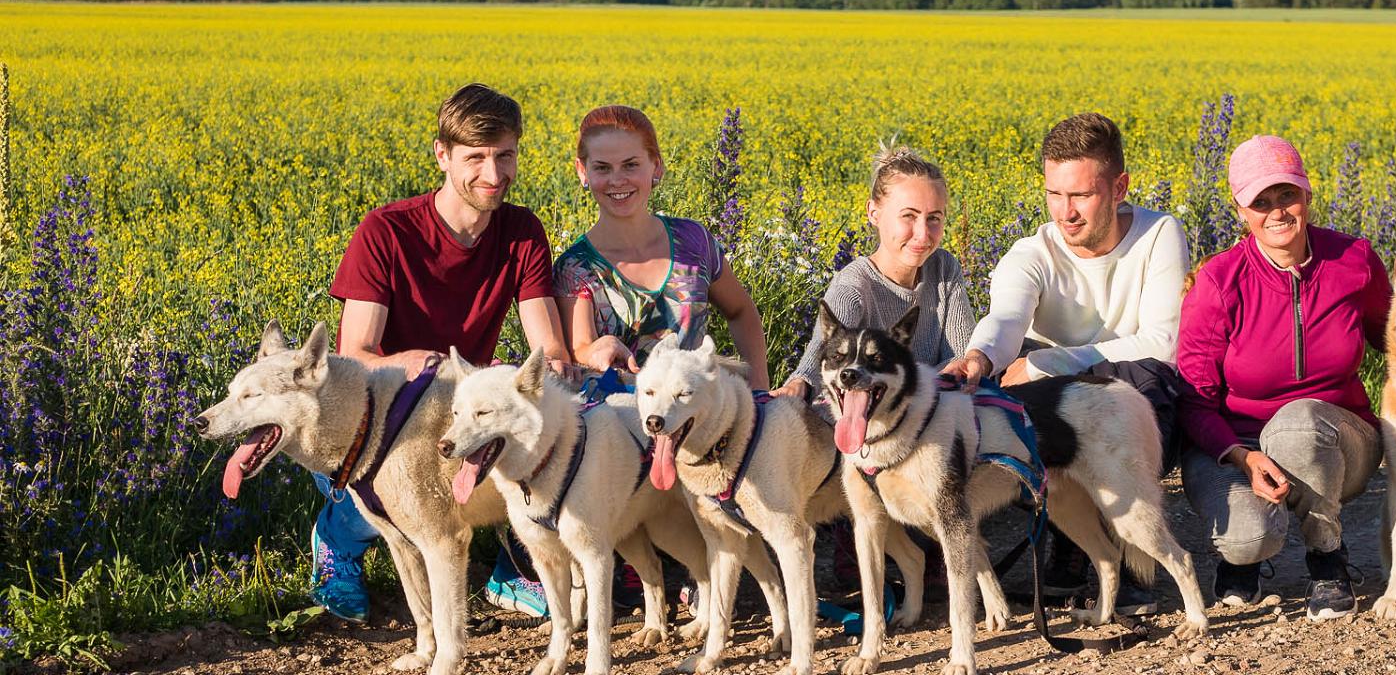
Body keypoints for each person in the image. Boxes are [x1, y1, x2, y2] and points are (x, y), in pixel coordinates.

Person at [320, 83, 573, 621]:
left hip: (461, 398)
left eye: (505, 156)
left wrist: (557, 381)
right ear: (442, 155)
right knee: (397, 490)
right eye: (476, 158)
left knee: (544, 433)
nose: (493, 174)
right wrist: (411, 361)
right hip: (383, 407)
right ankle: (339, 536)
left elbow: (546, 344)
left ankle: (515, 568)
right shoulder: (385, 231)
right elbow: (353, 353)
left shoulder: (522, 231)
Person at [941, 112, 1190, 616]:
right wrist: (978, 356)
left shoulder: (1159, 234)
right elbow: (1006, 319)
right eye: (1055, 194)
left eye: (1081, 195)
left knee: (1148, 378)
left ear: (1119, 187)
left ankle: (1121, 542)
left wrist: (1050, 363)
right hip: (1056, 408)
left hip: (1129, 389)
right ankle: (1075, 541)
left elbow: (1162, 343)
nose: (1066, 211)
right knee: (1013, 385)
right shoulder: (1030, 253)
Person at [1176, 135, 1389, 621]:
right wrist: (1242, 456)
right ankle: (1244, 560)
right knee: (1249, 537)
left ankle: (1327, 557)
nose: (1277, 212)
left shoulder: (1353, 260)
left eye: (1286, 195)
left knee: (1298, 423)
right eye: (1260, 201)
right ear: (1240, 211)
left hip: (1337, 438)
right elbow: (1194, 400)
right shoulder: (1219, 282)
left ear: (1307, 194)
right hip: (1235, 445)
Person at [554, 103, 773, 389]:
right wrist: (595, 350)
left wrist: (758, 393)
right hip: (620, 425)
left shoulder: (693, 241)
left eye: (631, 165)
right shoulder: (576, 267)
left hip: (700, 418)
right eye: (602, 168)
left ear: (655, 165)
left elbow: (741, 311)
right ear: (582, 171)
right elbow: (580, 348)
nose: (617, 180)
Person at [779, 145, 974, 400]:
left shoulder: (944, 268)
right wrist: (799, 384)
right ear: (873, 213)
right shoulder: (854, 286)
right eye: (909, 216)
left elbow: (962, 356)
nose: (923, 234)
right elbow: (820, 354)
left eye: (934, 218)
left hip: (930, 414)